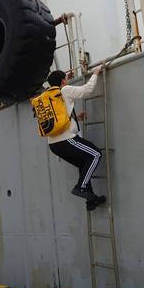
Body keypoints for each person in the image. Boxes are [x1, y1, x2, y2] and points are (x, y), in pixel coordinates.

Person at [47, 66, 106, 211]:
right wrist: (95, 74)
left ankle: (91, 200)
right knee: (95, 154)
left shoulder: (49, 96)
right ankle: (81, 187)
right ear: (62, 81)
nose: (67, 82)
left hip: (54, 145)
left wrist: (76, 118)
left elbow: (59, 118)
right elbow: (87, 90)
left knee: (83, 163)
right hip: (66, 140)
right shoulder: (64, 90)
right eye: (65, 79)